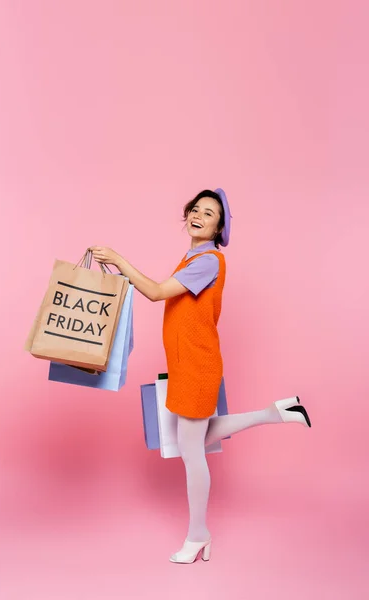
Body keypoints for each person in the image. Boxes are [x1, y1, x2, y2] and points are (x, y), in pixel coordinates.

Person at [90, 188, 311, 564]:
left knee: (192, 452)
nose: (198, 216)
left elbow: (158, 292)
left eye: (209, 214)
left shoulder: (208, 260)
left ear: (218, 227)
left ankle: (198, 534)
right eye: (195, 209)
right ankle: (276, 413)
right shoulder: (192, 256)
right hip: (187, 363)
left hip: (196, 366)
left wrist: (119, 260)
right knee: (195, 436)